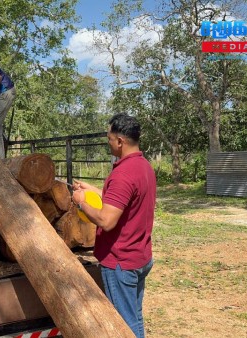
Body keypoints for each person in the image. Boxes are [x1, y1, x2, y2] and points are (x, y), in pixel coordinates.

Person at [71, 113, 156, 338]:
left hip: (121, 262)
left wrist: (81, 203)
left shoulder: (123, 174)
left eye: (109, 139)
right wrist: (92, 190)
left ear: (120, 141)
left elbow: (106, 220)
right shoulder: (143, 167)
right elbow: (121, 202)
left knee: (124, 325)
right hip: (139, 256)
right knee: (134, 317)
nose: (108, 143)